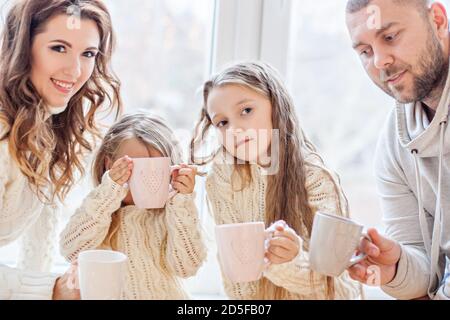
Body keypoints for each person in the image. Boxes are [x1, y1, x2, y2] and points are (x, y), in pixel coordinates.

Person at [190, 61, 363, 299]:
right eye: (222, 122)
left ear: (276, 107)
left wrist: (292, 263)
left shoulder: (315, 180)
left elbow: (345, 291)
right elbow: (236, 285)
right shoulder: (222, 181)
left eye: (246, 111)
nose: (235, 129)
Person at [0, 0, 121, 300]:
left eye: (88, 54)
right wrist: (48, 289)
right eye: (58, 48)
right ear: (22, 48)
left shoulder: (47, 127)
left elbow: (38, 243)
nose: (75, 70)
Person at [346, 0, 450, 299]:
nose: (379, 61)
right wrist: (396, 268)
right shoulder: (394, 145)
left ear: (438, 20)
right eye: (365, 52)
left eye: (390, 37)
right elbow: (424, 268)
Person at [60, 114, 206, 299]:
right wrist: (109, 190)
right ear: (109, 164)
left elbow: (187, 267)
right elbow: (71, 251)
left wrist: (181, 202)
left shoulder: (172, 217)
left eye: (156, 169)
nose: (146, 179)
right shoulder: (97, 213)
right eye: (134, 169)